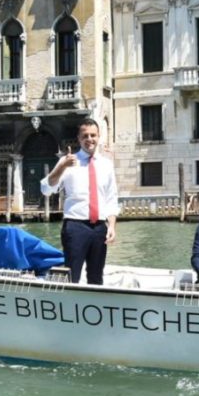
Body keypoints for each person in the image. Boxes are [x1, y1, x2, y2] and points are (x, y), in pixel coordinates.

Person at [41, 118, 119, 285]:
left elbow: (111, 199)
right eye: (85, 136)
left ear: (99, 137)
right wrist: (63, 166)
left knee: (96, 278)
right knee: (72, 276)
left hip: (100, 228)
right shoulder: (67, 161)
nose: (89, 139)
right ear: (79, 138)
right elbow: (46, 189)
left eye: (93, 135)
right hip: (75, 227)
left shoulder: (106, 165)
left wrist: (111, 226)